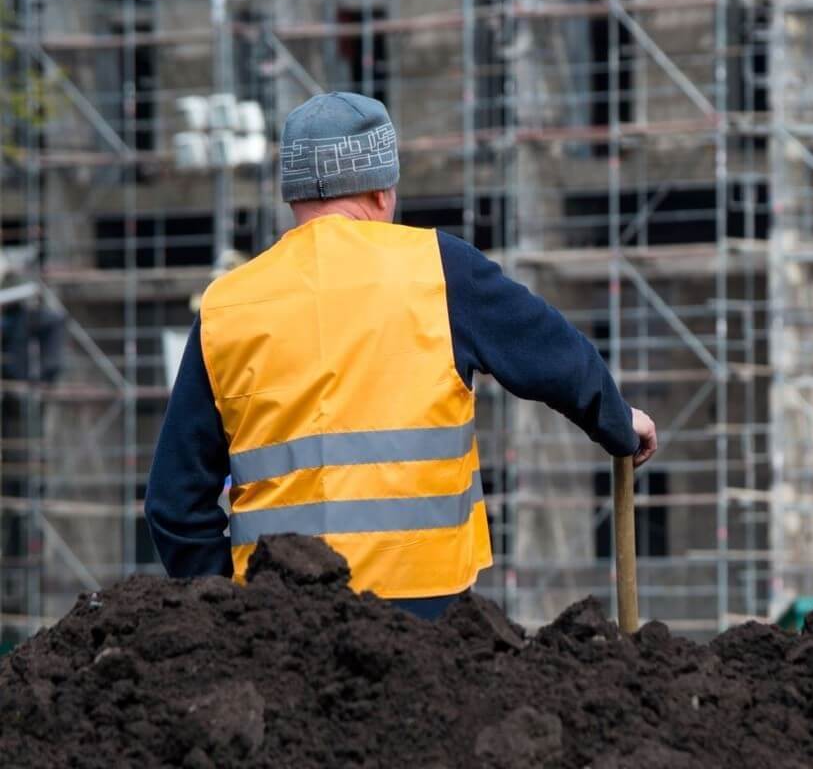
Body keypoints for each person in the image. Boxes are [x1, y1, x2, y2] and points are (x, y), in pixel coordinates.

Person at [145, 92, 657, 619]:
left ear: (292, 196)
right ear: (383, 191)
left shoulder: (228, 306)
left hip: (279, 625)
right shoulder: (439, 269)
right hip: (425, 619)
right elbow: (552, 355)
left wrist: (228, 609)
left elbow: (173, 505)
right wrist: (618, 422)